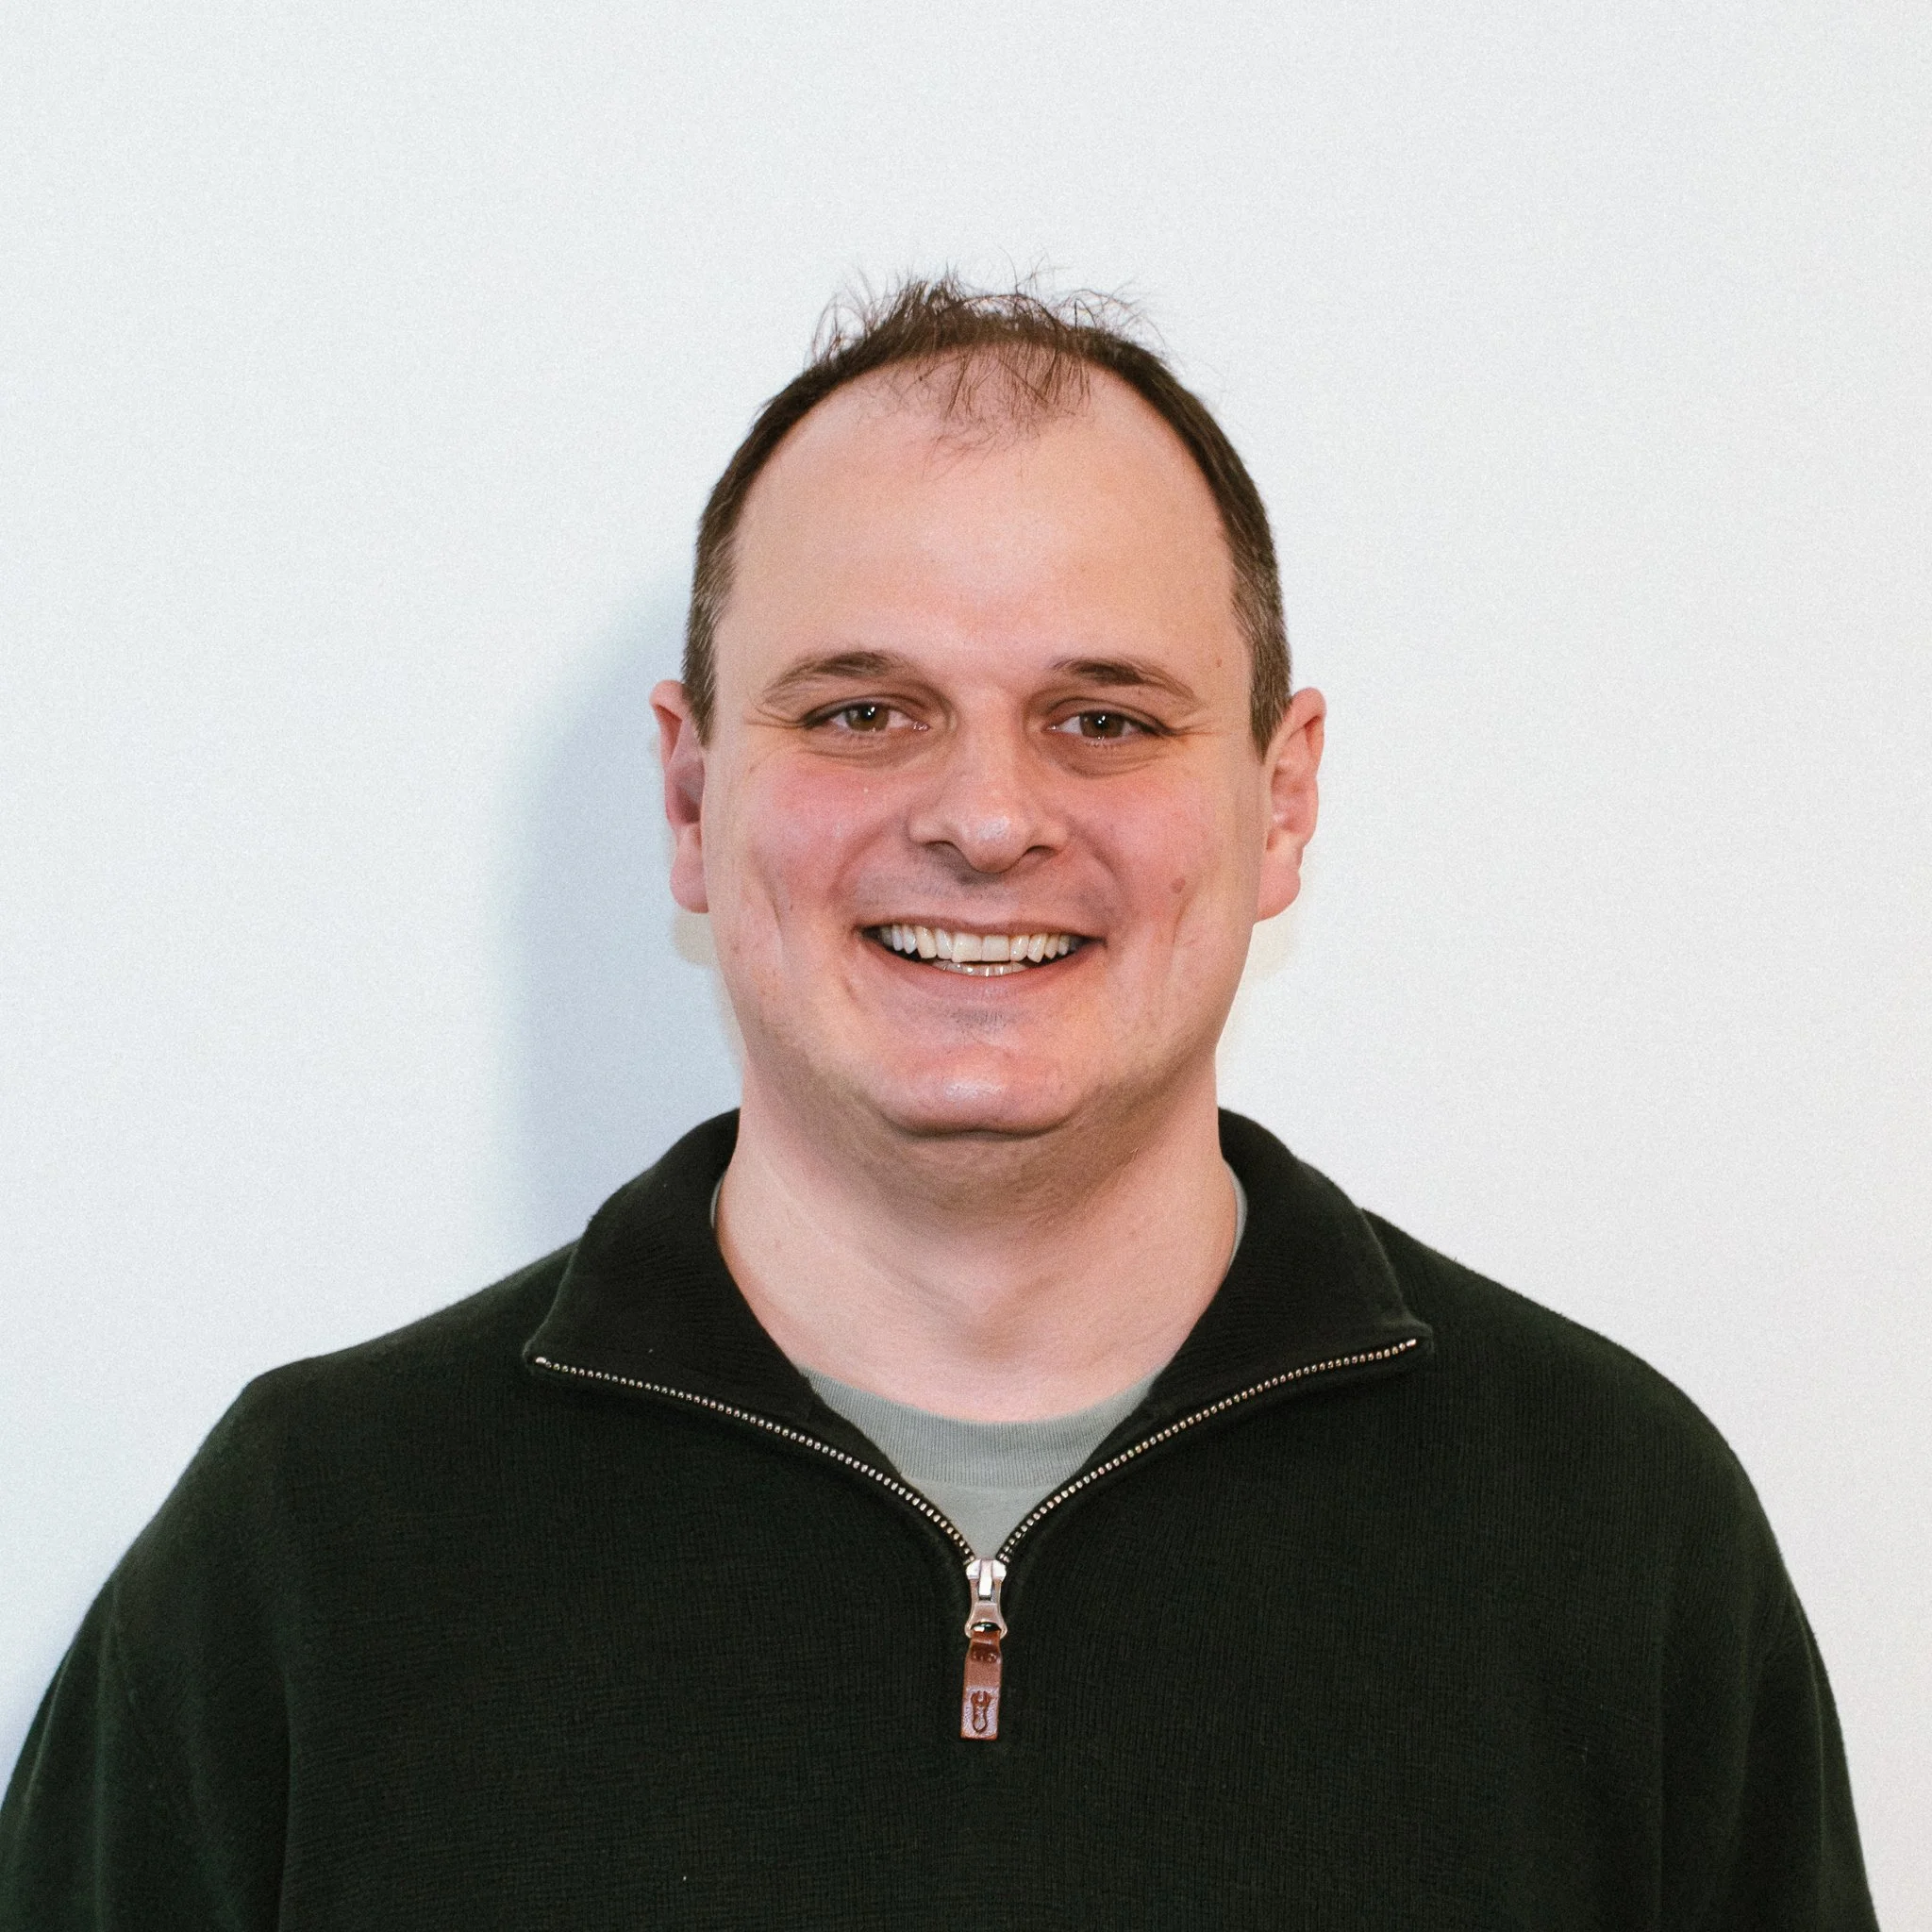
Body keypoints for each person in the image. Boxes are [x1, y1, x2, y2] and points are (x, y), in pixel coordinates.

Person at [0, 279, 1877, 1930]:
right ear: (688, 793)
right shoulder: (315, 1552)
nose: (985, 818)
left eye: (1108, 716)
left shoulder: (1607, 1537)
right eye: (861, 709)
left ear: (1279, 796)